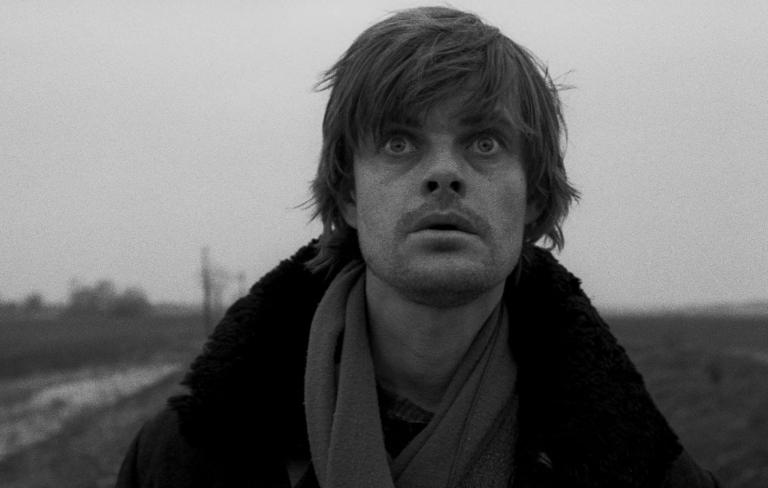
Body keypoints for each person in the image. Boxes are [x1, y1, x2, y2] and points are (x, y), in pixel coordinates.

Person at [117, 6, 719, 487]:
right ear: (348, 194)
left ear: (534, 197)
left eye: (484, 143)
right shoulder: (185, 460)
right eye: (399, 144)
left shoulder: (644, 472)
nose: (444, 174)